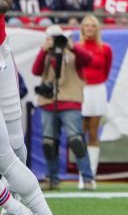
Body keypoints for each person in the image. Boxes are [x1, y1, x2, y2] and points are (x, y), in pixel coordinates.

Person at [0, 0, 57, 215]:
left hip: (0, 55)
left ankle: (27, 211)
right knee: (4, 157)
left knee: (14, 146)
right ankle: (18, 210)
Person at [32, 25, 96, 191]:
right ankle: (51, 179)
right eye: (52, 38)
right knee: (49, 142)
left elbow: (89, 60)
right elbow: (36, 71)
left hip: (70, 100)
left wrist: (72, 46)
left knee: (76, 140)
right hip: (48, 101)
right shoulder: (46, 54)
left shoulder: (73, 53)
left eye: (57, 38)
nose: (55, 42)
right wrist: (43, 50)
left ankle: (88, 179)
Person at [76, 15, 112, 181]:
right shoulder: (76, 47)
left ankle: (92, 174)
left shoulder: (105, 49)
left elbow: (106, 72)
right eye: (87, 25)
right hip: (81, 90)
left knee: (93, 133)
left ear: (97, 29)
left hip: (97, 91)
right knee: (79, 133)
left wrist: (95, 84)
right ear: (82, 28)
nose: (90, 28)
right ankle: (83, 175)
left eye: (93, 26)